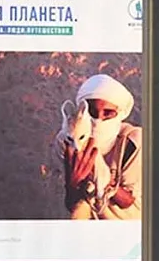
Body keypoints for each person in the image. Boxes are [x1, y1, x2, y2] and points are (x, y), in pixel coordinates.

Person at [60, 73, 142, 220]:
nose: (99, 119)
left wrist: (102, 178)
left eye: (108, 113)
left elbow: (127, 202)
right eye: (92, 112)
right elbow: (71, 204)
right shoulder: (68, 140)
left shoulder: (132, 141)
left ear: (120, 113)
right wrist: (73, 183)